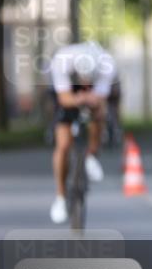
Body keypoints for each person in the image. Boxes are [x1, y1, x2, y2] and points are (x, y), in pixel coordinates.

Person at [49, 41, 117, 224]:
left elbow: (101, 99)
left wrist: (91, 99)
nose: (86, 83)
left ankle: (92, 154)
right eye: (83, 79)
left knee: (99, 113)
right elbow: (64, 98)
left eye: (89, 80)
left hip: (94, 93)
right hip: (68, 91)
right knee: (63, 144)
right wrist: (79, 98)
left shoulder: (107, 65)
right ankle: (61, 197)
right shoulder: (61, 61)